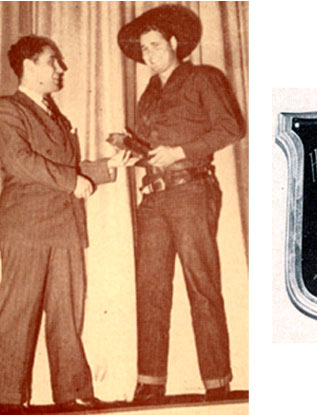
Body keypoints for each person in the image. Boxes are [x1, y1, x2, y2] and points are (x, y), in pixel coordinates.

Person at [0, 35, 137, 414]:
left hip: (66, 225)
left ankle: (72, 393)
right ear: (29, 65)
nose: (60, 69)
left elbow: (67, 169)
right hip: (28, 225)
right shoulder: (4, 109)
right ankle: (7, 400)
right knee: (19, 310)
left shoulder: (56, 115)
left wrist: (108, 167)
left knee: (68, 312)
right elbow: (21, 162)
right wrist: (74, 182)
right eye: (53, 62)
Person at [116, 4, 246, 403]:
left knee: (202, 285)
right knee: (151, 288)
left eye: (155, 45)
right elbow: (152, 148)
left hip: (191, 190)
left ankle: (216, 383)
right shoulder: (148, 93)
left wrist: (179, 152)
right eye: (144, 49)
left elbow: (232, 127)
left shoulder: (203, 77)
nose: (149, 55)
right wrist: (132, 151)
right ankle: (150, 381)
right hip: (153, 198)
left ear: (173, 43)